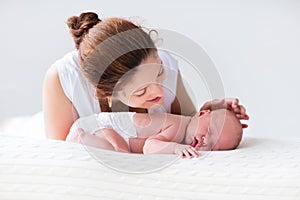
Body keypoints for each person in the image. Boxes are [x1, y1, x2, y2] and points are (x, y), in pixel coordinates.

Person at [43, 12, 249, 144]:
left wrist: (213, 113)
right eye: (141, 91)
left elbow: (186, 127)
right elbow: (62, 153)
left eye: (159, 73)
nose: (160, 92)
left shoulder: (167, 63)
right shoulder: (64, 78)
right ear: (106, 92)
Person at [66, 108, 243, 159]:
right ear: (203, 113)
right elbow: (149, 147)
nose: (205, 140)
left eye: (212, 146)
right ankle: (80, 137)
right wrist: (175, 148)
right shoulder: (177, 125)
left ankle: (82, 139)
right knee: (120, 153)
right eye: (210, 131)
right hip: (97, 126)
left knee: (120, 151)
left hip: (104, 130)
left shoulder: (186, 130)